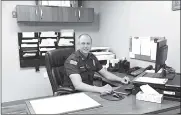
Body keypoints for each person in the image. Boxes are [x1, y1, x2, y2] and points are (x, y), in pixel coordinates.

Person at [63, 34, 130, 94]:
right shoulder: (72, 60)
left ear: (91, 45)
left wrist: (120, 79)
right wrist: (100, 89)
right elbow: (78, 85)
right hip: (74, 94)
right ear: (78, 44)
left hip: (88, 91)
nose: (86, 46)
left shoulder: (91, 57)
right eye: (83, 43)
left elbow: (105, 74)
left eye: (88, 43)